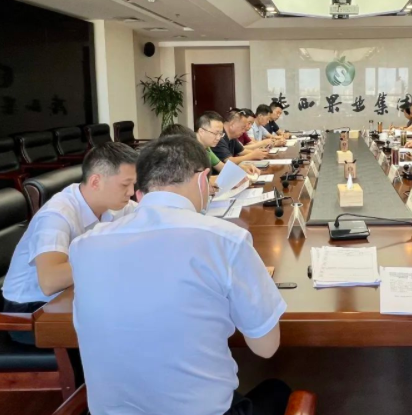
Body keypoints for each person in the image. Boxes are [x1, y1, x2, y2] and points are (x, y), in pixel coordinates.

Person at [69, 136, 290, 415]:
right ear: (202, 180)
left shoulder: (84, 245)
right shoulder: (226, 239)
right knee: (278, 390)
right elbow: (266, 347)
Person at [2, 143, 138, 343]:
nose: (131, 192)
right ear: (96, 182)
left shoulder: (115, 205)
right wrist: (108, 255)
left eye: (134, 184)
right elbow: (50, 281)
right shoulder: (57, 214)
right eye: (125, 185)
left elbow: (153, 217)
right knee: (128, 330)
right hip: (30, 312)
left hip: (70, 297)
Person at [196, 111, 258, 176]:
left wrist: (241, 169)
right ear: (201, 132)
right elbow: (199, 180)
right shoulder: (191, 150)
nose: (218, 138)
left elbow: (222, 167)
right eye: (215, 133)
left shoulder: (206, 148)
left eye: (220, 134)